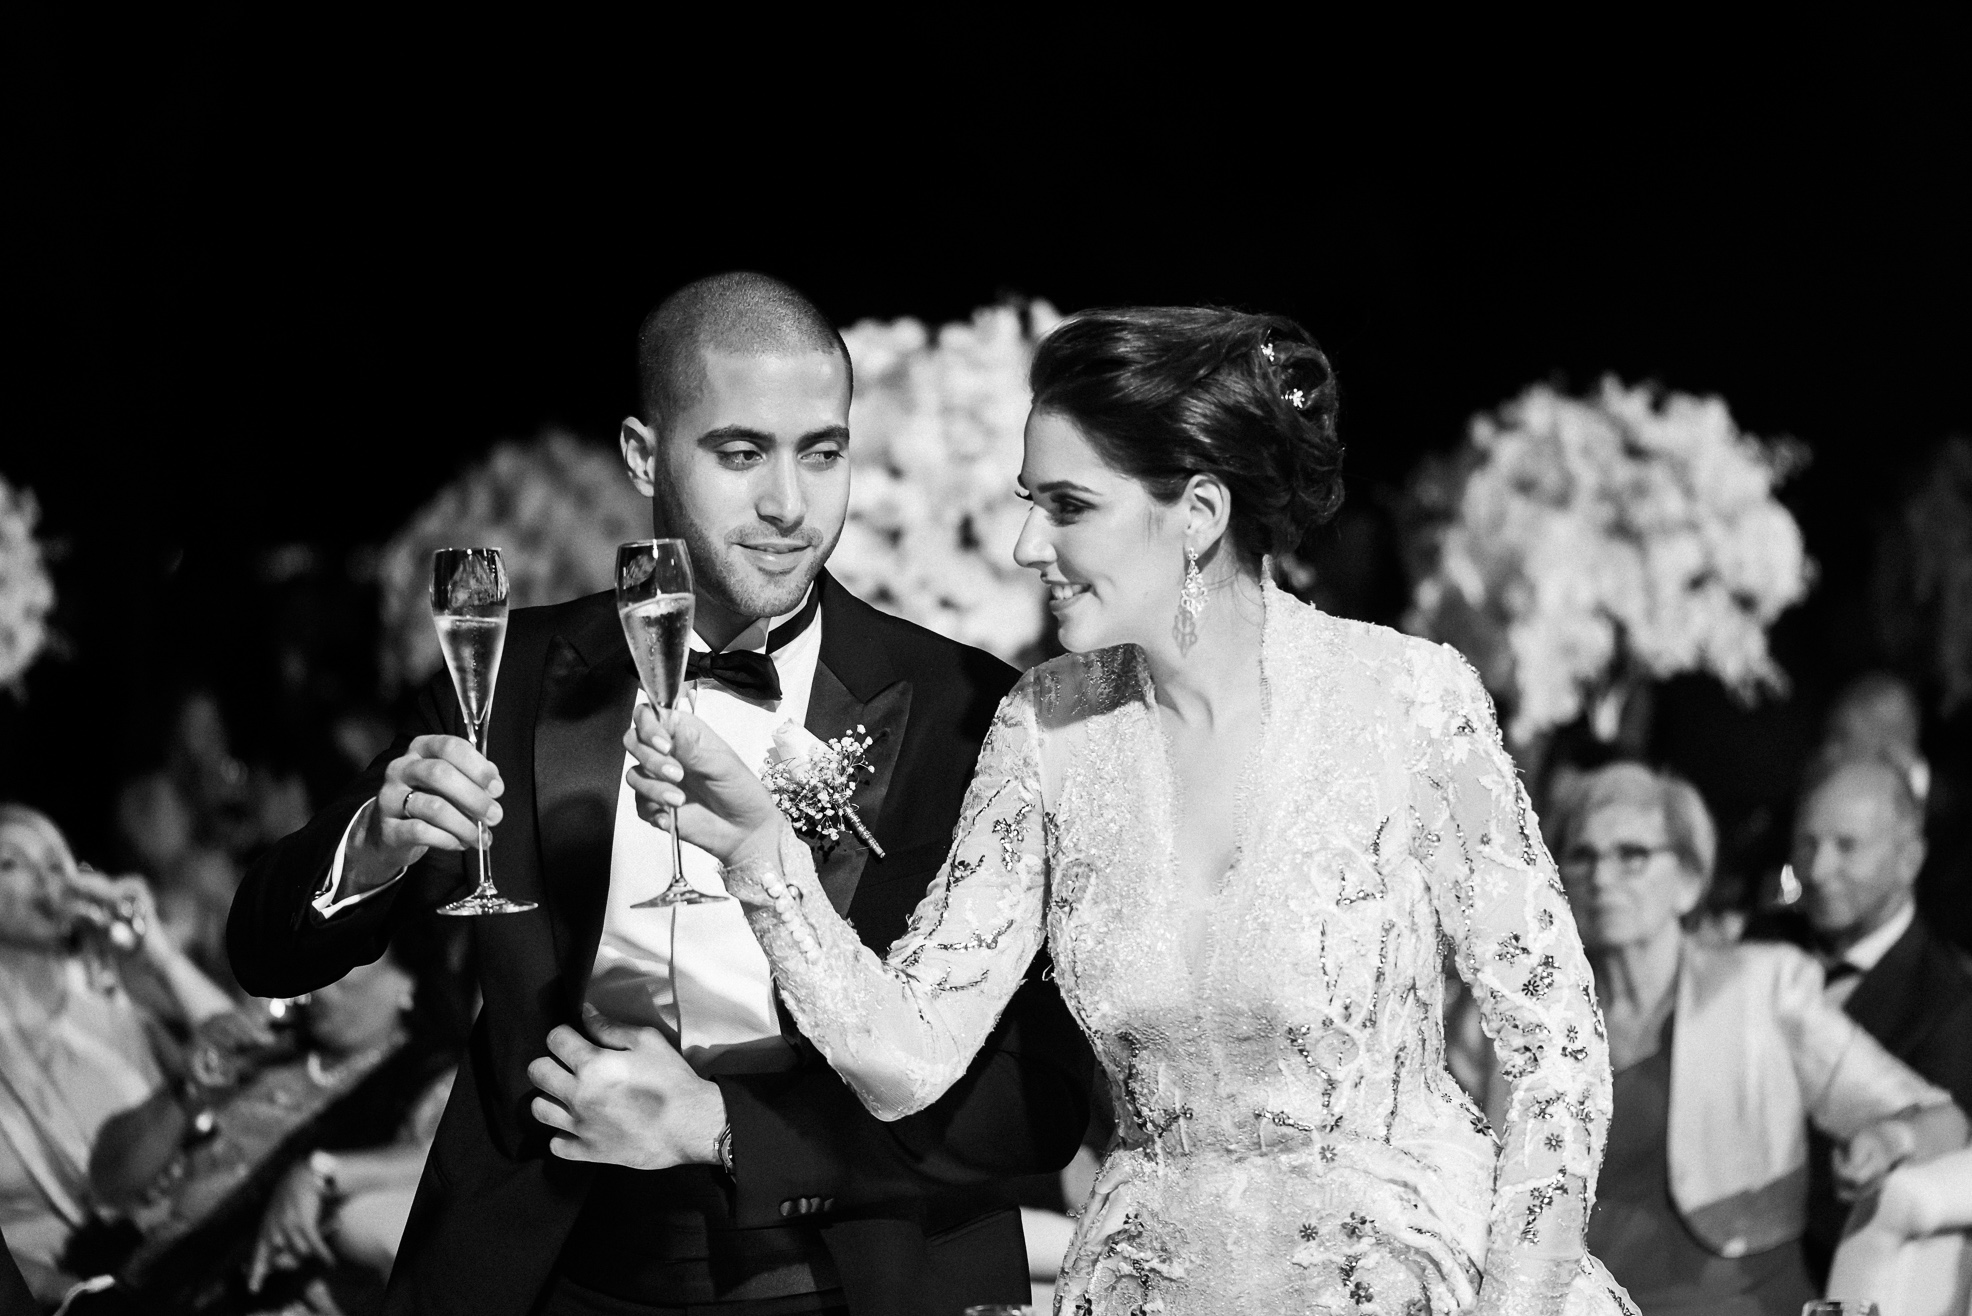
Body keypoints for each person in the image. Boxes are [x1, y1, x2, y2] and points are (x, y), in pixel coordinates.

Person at [628, 306, 1636, 1315]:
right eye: (1030, 502)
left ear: (1198, 513)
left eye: (1068, 507)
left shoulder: (1409, 701)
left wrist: (1519, 1298)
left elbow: (1555, 1050)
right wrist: (763, 854)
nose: (1027, 543)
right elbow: (906, 1059)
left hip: (1412, 1277)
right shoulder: (1043, 727)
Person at [228, 272, 1093, 1316]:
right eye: (741, 453)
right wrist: (372, 844)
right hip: (560, 1267)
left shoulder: (966, 707)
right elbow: (264, 949)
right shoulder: (514, 676)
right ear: (643, 455)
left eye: (822, 452)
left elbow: (1037, 1100)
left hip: (851, 1272)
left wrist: (725, 1129)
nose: (789, 504)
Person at [1545, 763, 1967, 1315]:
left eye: (1632, 855)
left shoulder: (1759, 987)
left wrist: (1889, 1141)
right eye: (1582, 856)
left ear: (1689, 880)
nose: (1602, 877)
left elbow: (1941, 1119)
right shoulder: (1530, 1013)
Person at [0, 803, 253, 1307]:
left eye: (54, 864)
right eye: (10, 864)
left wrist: (158, 952)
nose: (44, 881)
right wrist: (72, 1295)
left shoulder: (112, 990)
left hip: (173, 1256)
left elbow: (246, 1053)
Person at [1792, 750, 1972, 1278]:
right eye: (1808, 844)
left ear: (1909, 859)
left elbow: (1946, 1148)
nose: (1818, 871)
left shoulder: (1951, 1000)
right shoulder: (1761, 947)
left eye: (1847, 847)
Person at [246, 946, 459, 1313]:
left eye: (344, 969)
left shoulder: (430, 1080)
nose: (321, 987)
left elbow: (447, 1157)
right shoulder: (275, 1049)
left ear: (407, 981)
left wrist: (320, 1172)